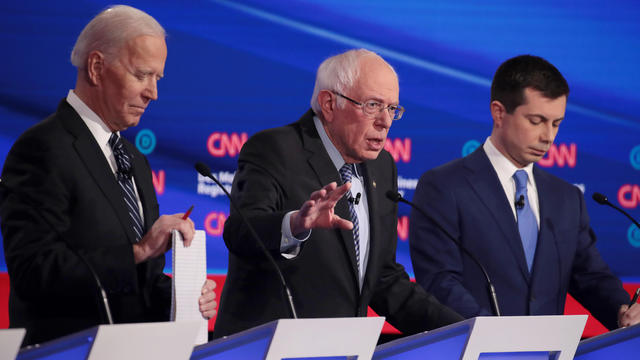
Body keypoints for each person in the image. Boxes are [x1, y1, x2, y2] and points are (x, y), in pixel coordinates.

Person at [0, 5, 215, 346]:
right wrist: (140, 250)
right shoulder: (42, 148)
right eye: (142, 74)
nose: (152, 93)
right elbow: (33, 272)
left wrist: (182, 298)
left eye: (157, 79)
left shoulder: (134, 158)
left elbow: (140, 280)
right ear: (97, 67)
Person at [213, 48, 462, 338]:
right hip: (270, 347)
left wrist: (460, 331)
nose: (385, 121)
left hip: (342, 349)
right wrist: (295, 225)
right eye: (372, 105)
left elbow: (383, 278)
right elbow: (240, 232)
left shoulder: (383, 167)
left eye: (392, 108)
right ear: (329, 104)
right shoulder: (276, 149)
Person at [409, 54, 640, 330]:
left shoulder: (566, 198)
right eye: (536, 121)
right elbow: (440, 282)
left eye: (556, 123)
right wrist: (499, 338)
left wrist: (624, 312)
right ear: (499, 112)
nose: (548, 136)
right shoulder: (444, 186)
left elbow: (591, 277)